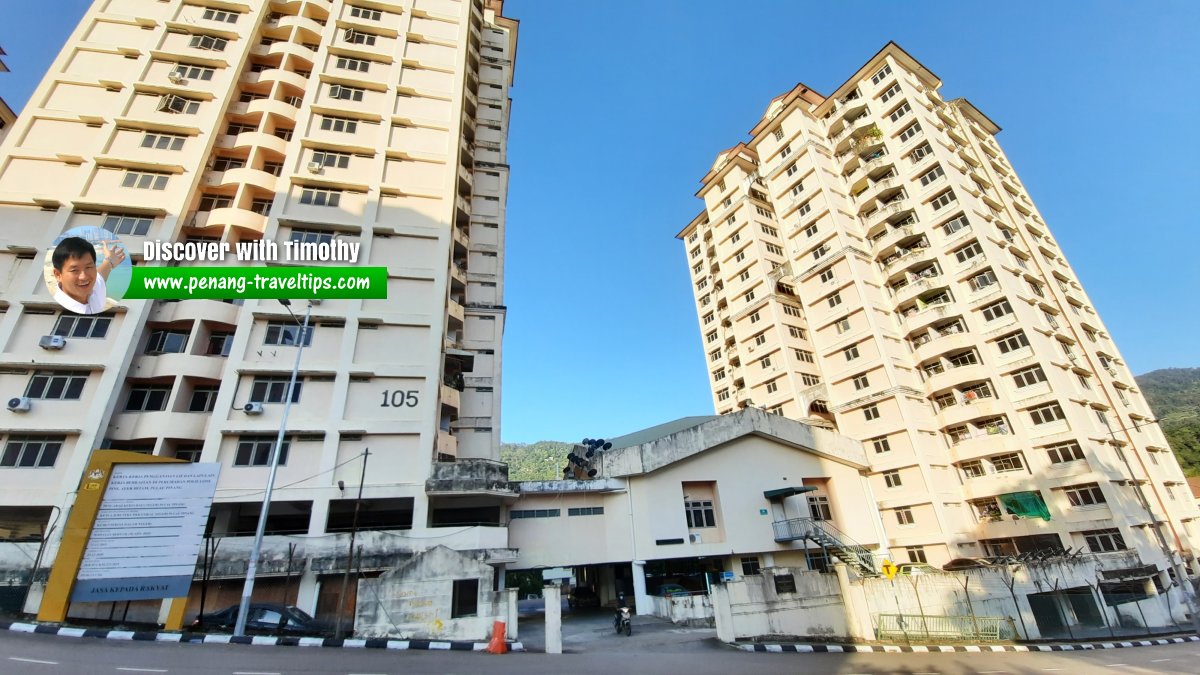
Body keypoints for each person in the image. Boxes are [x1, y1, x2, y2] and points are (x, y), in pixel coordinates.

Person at [51, 237, 125, 315]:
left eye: (88, 267)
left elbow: (101, 275)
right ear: (58, 275)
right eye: (74, 270)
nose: (84, 277)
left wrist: (110, 260)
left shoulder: (94, 288)